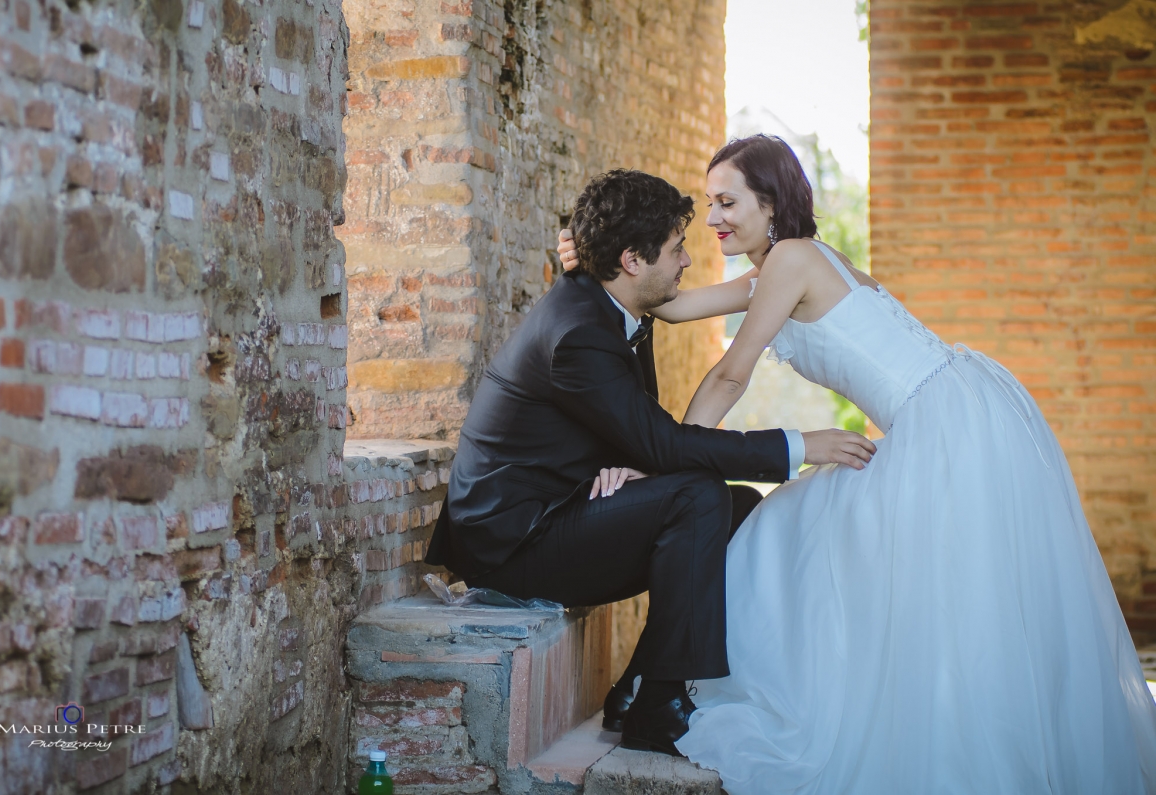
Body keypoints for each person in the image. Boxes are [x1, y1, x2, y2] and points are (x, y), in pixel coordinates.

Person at [558, 134, 1156, 792]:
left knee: (796, 538)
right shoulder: (781, 267)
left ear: (770, 201)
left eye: (727, 202)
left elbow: (730, 375)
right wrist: (592, 262)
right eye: (710, 203)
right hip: (951, 409)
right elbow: (667, 303)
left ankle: (667, 686)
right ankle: (656, 684)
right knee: (804, 532)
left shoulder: (790, 259)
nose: (714, 219)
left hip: (941, 420)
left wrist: (664, 459)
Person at [424, 168, 877, 756]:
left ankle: (639, 686)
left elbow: (641, 436)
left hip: (557, 507)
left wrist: (636, 465)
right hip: (513, 543)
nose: (687, 261)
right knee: (698, 495)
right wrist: (797, 446)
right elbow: (663, 443)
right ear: (632, 260)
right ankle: (658, 710)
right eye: (676, 249)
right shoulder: (580, 330)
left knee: (736, 504)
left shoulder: (609, 306)